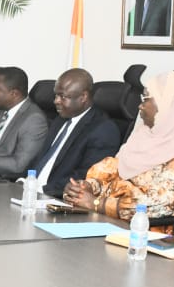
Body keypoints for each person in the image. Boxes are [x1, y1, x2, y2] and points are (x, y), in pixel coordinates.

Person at [62, 71, 174, 221]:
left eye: (146, 99)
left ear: (169, 105)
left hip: (149, 230)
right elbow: (111, 172)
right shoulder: (144, 135)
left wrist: (97, 204)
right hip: (107, 220)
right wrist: (85, 187)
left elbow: (155, 205)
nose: (140, 106)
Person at [31, 68, 121, 197]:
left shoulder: (104, 130)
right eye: (55, 95)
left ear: (83, 97)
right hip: (31, 191)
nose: (56, 101)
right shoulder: (60, 119)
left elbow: (86, 177)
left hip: (55, 197)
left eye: (62, 96)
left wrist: (43, 190)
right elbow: (40, 158)